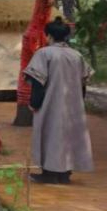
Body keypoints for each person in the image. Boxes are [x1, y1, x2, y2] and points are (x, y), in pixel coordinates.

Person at [24, 17, 95, 184]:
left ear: (48, 36)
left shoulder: (44, 53)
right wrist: (79, 103)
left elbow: (38, 83)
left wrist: (34, 103)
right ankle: (64, 174)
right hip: (73, 105)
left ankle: (49, 174)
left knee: (51, 135)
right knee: (69, 136)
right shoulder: (76, 55)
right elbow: (83, 83)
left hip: (51, 103)